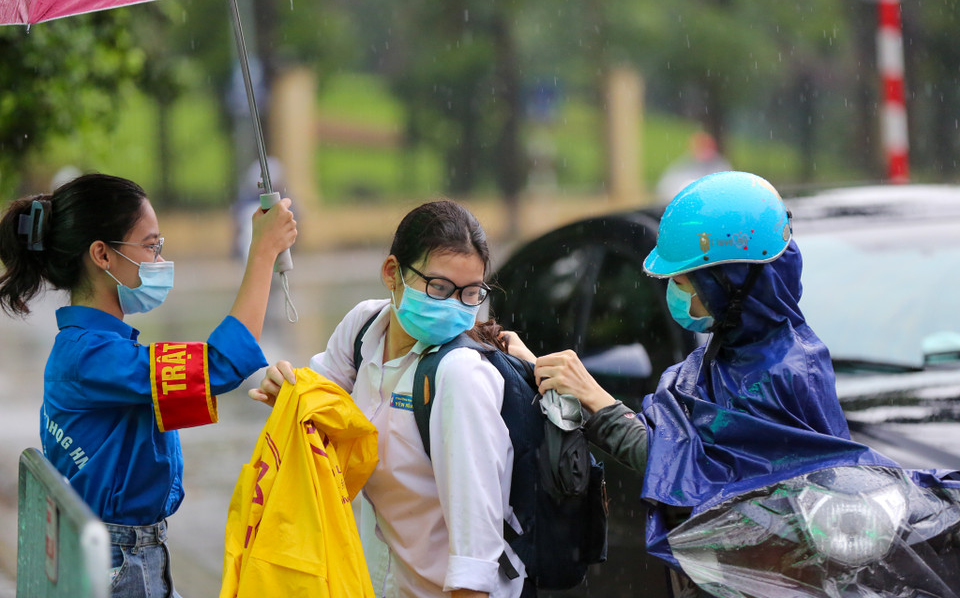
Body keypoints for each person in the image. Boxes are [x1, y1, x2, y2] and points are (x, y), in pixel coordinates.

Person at [505, 171, 897, 595]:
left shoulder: (783, 372)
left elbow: (707, 482)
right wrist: (543, 373)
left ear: (724, 282)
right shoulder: (728, 354)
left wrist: (597, 400)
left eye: (681, 280)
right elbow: (680, 455)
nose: (674, 292)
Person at [0, 172, 297, 598]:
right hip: (120, 565)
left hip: (136, 556)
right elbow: (218, 367)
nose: (159, 260)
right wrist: (263, 253)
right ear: (102, 254)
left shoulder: (102, 347)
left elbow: (199, 387)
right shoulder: (92, 356)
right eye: (151, 246)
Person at [250, 200, 526, 598]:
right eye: (439, 288)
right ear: (392, 273)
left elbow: (476, 554)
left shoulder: (459, 376)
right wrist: (290, 391)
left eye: (469, 294)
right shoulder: (365, 329)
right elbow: (320, 409)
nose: (454, 306)